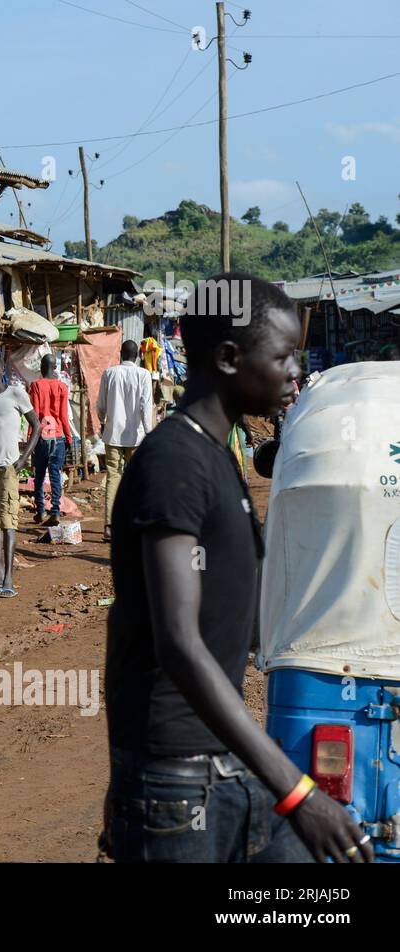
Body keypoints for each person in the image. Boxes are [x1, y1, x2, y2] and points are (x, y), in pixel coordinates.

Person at [103, 272, 372, 864]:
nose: (295, 373)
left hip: (224, 763)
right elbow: (179, 642)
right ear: (229, 358)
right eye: (283, 357)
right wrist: (299, 791)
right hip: (174, 783)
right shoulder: (173, 463)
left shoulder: (219, 457)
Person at [0, 355, 39, 598]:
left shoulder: (15, 394)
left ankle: (9, 579)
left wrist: (23, 459)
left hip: (8, 469)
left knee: (9, 521)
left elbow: (36, 425)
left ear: (2, 371)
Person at [97, 339, 154, 541]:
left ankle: (110, 527)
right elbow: (146, 407)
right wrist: (150, 433)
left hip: (113, 434)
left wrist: (103, 420)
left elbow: (101, 406)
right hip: (137, 436)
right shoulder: (143, 375)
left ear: (120, 353)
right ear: (137, 355)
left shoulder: (109, 373)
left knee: (113, 477)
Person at [26, 354, 73, 526]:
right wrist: (68, 437)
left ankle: (40, 511)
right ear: (54, 368)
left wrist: (30, 438)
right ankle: (55, 511)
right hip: (58, 436)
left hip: (42, 437)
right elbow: (63, 416)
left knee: (39, 476)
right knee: (55, 475)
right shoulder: (62, 387)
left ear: (42, 367)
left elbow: (35, 415)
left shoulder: (36, 386)